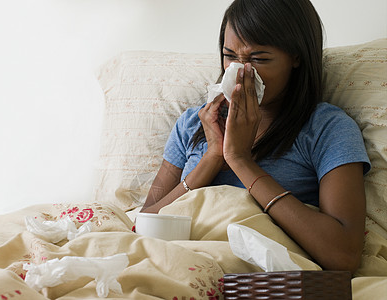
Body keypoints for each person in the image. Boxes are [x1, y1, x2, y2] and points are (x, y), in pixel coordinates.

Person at [141, 0, 370, 274]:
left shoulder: (327, 128)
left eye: (258, 59)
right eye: (229, 56)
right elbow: (142, 226)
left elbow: (343, 255)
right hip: (175, 263)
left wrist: (240, 160)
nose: (239, 73)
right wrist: (212, 159)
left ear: (296, 57)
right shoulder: (194, 123)